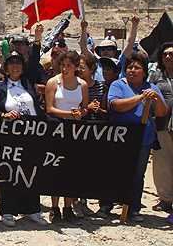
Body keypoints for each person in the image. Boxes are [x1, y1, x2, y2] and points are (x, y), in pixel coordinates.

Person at [102, 52, 169, 222]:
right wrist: (139, 98)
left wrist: (156, 100)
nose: (132, 70)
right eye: (130, 67)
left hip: (142, 139)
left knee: (137, 174)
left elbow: (162, 112)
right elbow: (115, 106)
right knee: (114, 171)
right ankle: (106, 205)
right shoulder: (118, 85)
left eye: (137, 67)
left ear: (144, 71)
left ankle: (133, 207)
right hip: (120, 136)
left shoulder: (151, 88)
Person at [0, 51, 48, 227]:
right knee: (9, 171)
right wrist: (4, 115)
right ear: (6, 68)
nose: (15, 65)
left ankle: (32, 209)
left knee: (31, 171)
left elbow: (36, 106)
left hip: (31, 134)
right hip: (9, 136)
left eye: (18, 63)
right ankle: (7, 210)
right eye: (11, 63)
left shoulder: (28, 84)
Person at [44, 51, 89, 222]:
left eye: (69, 65)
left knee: (71, 169)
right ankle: (54, 207)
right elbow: (49, 108)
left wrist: (80, 113)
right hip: (57, 128)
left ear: (76, 67)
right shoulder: (53, 82)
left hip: (75, 131)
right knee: (56, 168)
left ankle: (68, 206)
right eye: (63, 65)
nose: (65, 68)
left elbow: (84, 108)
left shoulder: (82, 85)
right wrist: (69, 113)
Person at [149, 42, 173, 221]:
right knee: (163, 163)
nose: (168, 57)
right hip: (162, 125)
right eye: (165, 54)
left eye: (171, 54)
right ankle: (165, 199)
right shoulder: (156, 77)